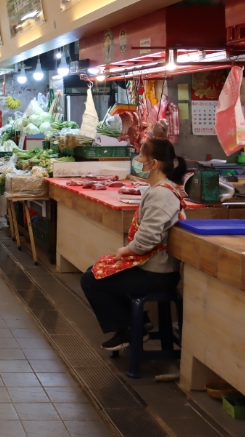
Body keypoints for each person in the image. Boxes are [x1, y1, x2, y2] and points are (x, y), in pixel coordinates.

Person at [80, 138, 186, 351]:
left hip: (157, 274)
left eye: (141, 156)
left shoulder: (162, 194)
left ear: (154, 163)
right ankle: (139, 322)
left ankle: (128, 329)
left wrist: (125, 251)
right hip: (151, 267)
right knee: (96, 270)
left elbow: (147, 239)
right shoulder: (159, 189)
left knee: (91, 280)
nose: (136, 160)